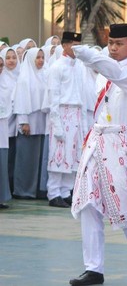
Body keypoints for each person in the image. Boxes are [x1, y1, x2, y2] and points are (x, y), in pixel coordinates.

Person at [69, 23, 127, 286]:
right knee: (88, 202)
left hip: (121, 140)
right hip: (97, 138)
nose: (114, 48)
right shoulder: (103, 72)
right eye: (110, 43)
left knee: (123, 201)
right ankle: (93, 268)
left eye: (119, 44)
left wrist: (88, 54)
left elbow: (116, 74)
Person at [44, 31, 85, 208]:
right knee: (58, 154)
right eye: (74, 45)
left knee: (73, 154)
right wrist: (56, 124)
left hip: (76, 112)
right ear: (65, 46)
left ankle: (66, 191)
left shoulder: (79, 66)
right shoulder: (57, 67)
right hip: (61, 112)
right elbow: (53, 96)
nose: (76, 49)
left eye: (78, 45)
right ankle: (53, 193)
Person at [13, 47, 47, 200]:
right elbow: (20, 101)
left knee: (38, 158)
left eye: (42, 57)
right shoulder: (24, 78)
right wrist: (23, 122)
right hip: (29, 123)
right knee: (26, 158)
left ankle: (36, 189)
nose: (40, 60)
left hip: (41, 121)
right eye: (37, 57)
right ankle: (23, 190)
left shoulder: (43, 75)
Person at [0, 47, 19, 193]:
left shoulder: (20, 77)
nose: (11, 60)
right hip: (5, 123)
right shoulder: (3, 79)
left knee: (7, 160)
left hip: (8, 125)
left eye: (14, 57)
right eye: (8, 58)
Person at [0, 54, 13, 209]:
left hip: (2, 128)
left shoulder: (6, 84)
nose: (1, 68)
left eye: (1, 66)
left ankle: (1, 197)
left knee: (2, 161)